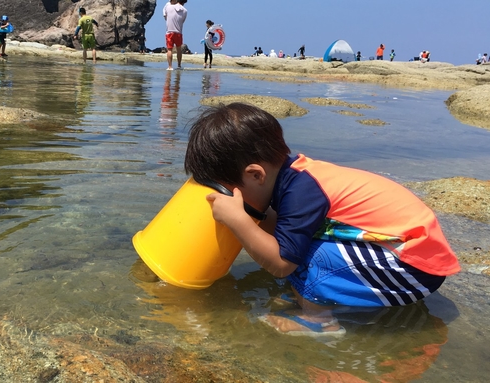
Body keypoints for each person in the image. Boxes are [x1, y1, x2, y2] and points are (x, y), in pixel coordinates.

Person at [183, 103, 460, 338]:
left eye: (227, 190)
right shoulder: (295, 178)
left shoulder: (303, 191)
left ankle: (319, 321)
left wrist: (238, 221)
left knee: (301, 255)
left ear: (256, 175)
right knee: (293, 241)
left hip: (412, 269)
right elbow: (279, 228)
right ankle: (315, 293)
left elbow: (281, 264)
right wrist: (249, 215)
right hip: (401, 253)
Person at [163, 0, 187, 70]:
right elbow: (182, 21)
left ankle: (170, 66)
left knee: (169, 50)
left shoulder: (168, 7)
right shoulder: (185, 11)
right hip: (178, 32)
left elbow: (165, 16)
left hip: (169, 31)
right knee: (179, 49)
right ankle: (179, 65)